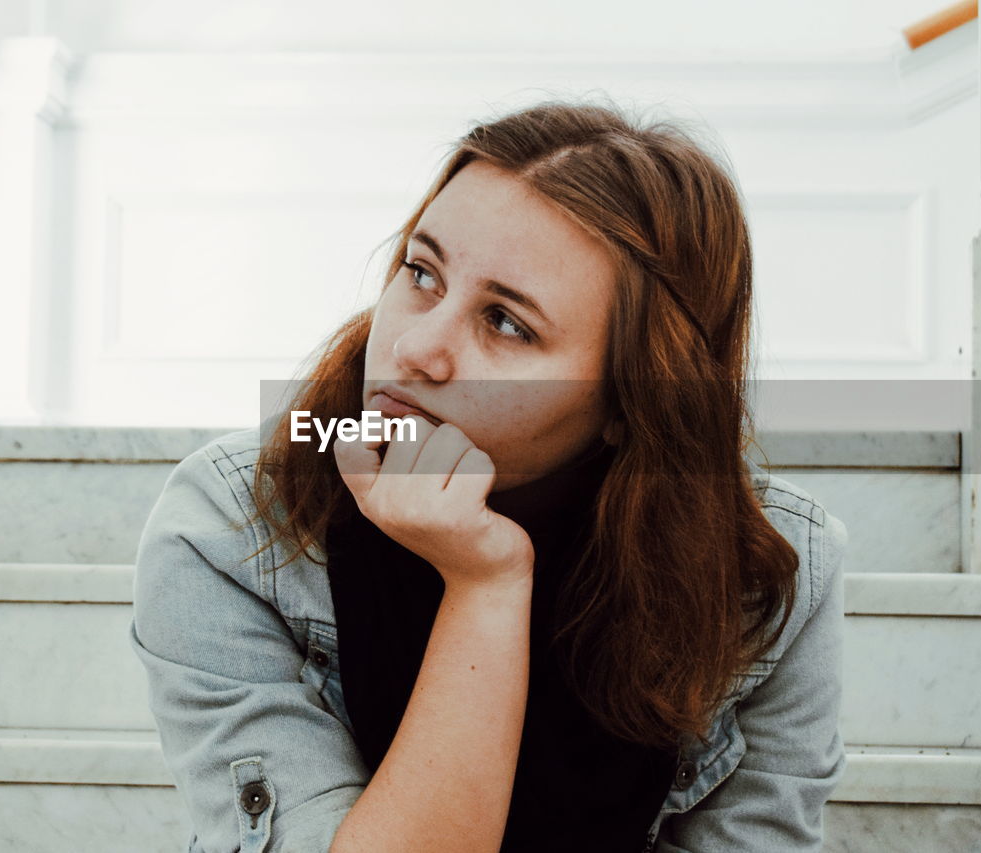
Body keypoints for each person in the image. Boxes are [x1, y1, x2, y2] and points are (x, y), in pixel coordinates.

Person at [129, 98, 850, 853]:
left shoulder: (770, 575)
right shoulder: (229, 527)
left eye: (507, 322)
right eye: (422, 271)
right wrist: (485, 584)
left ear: (630, 399)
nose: (416, 347)